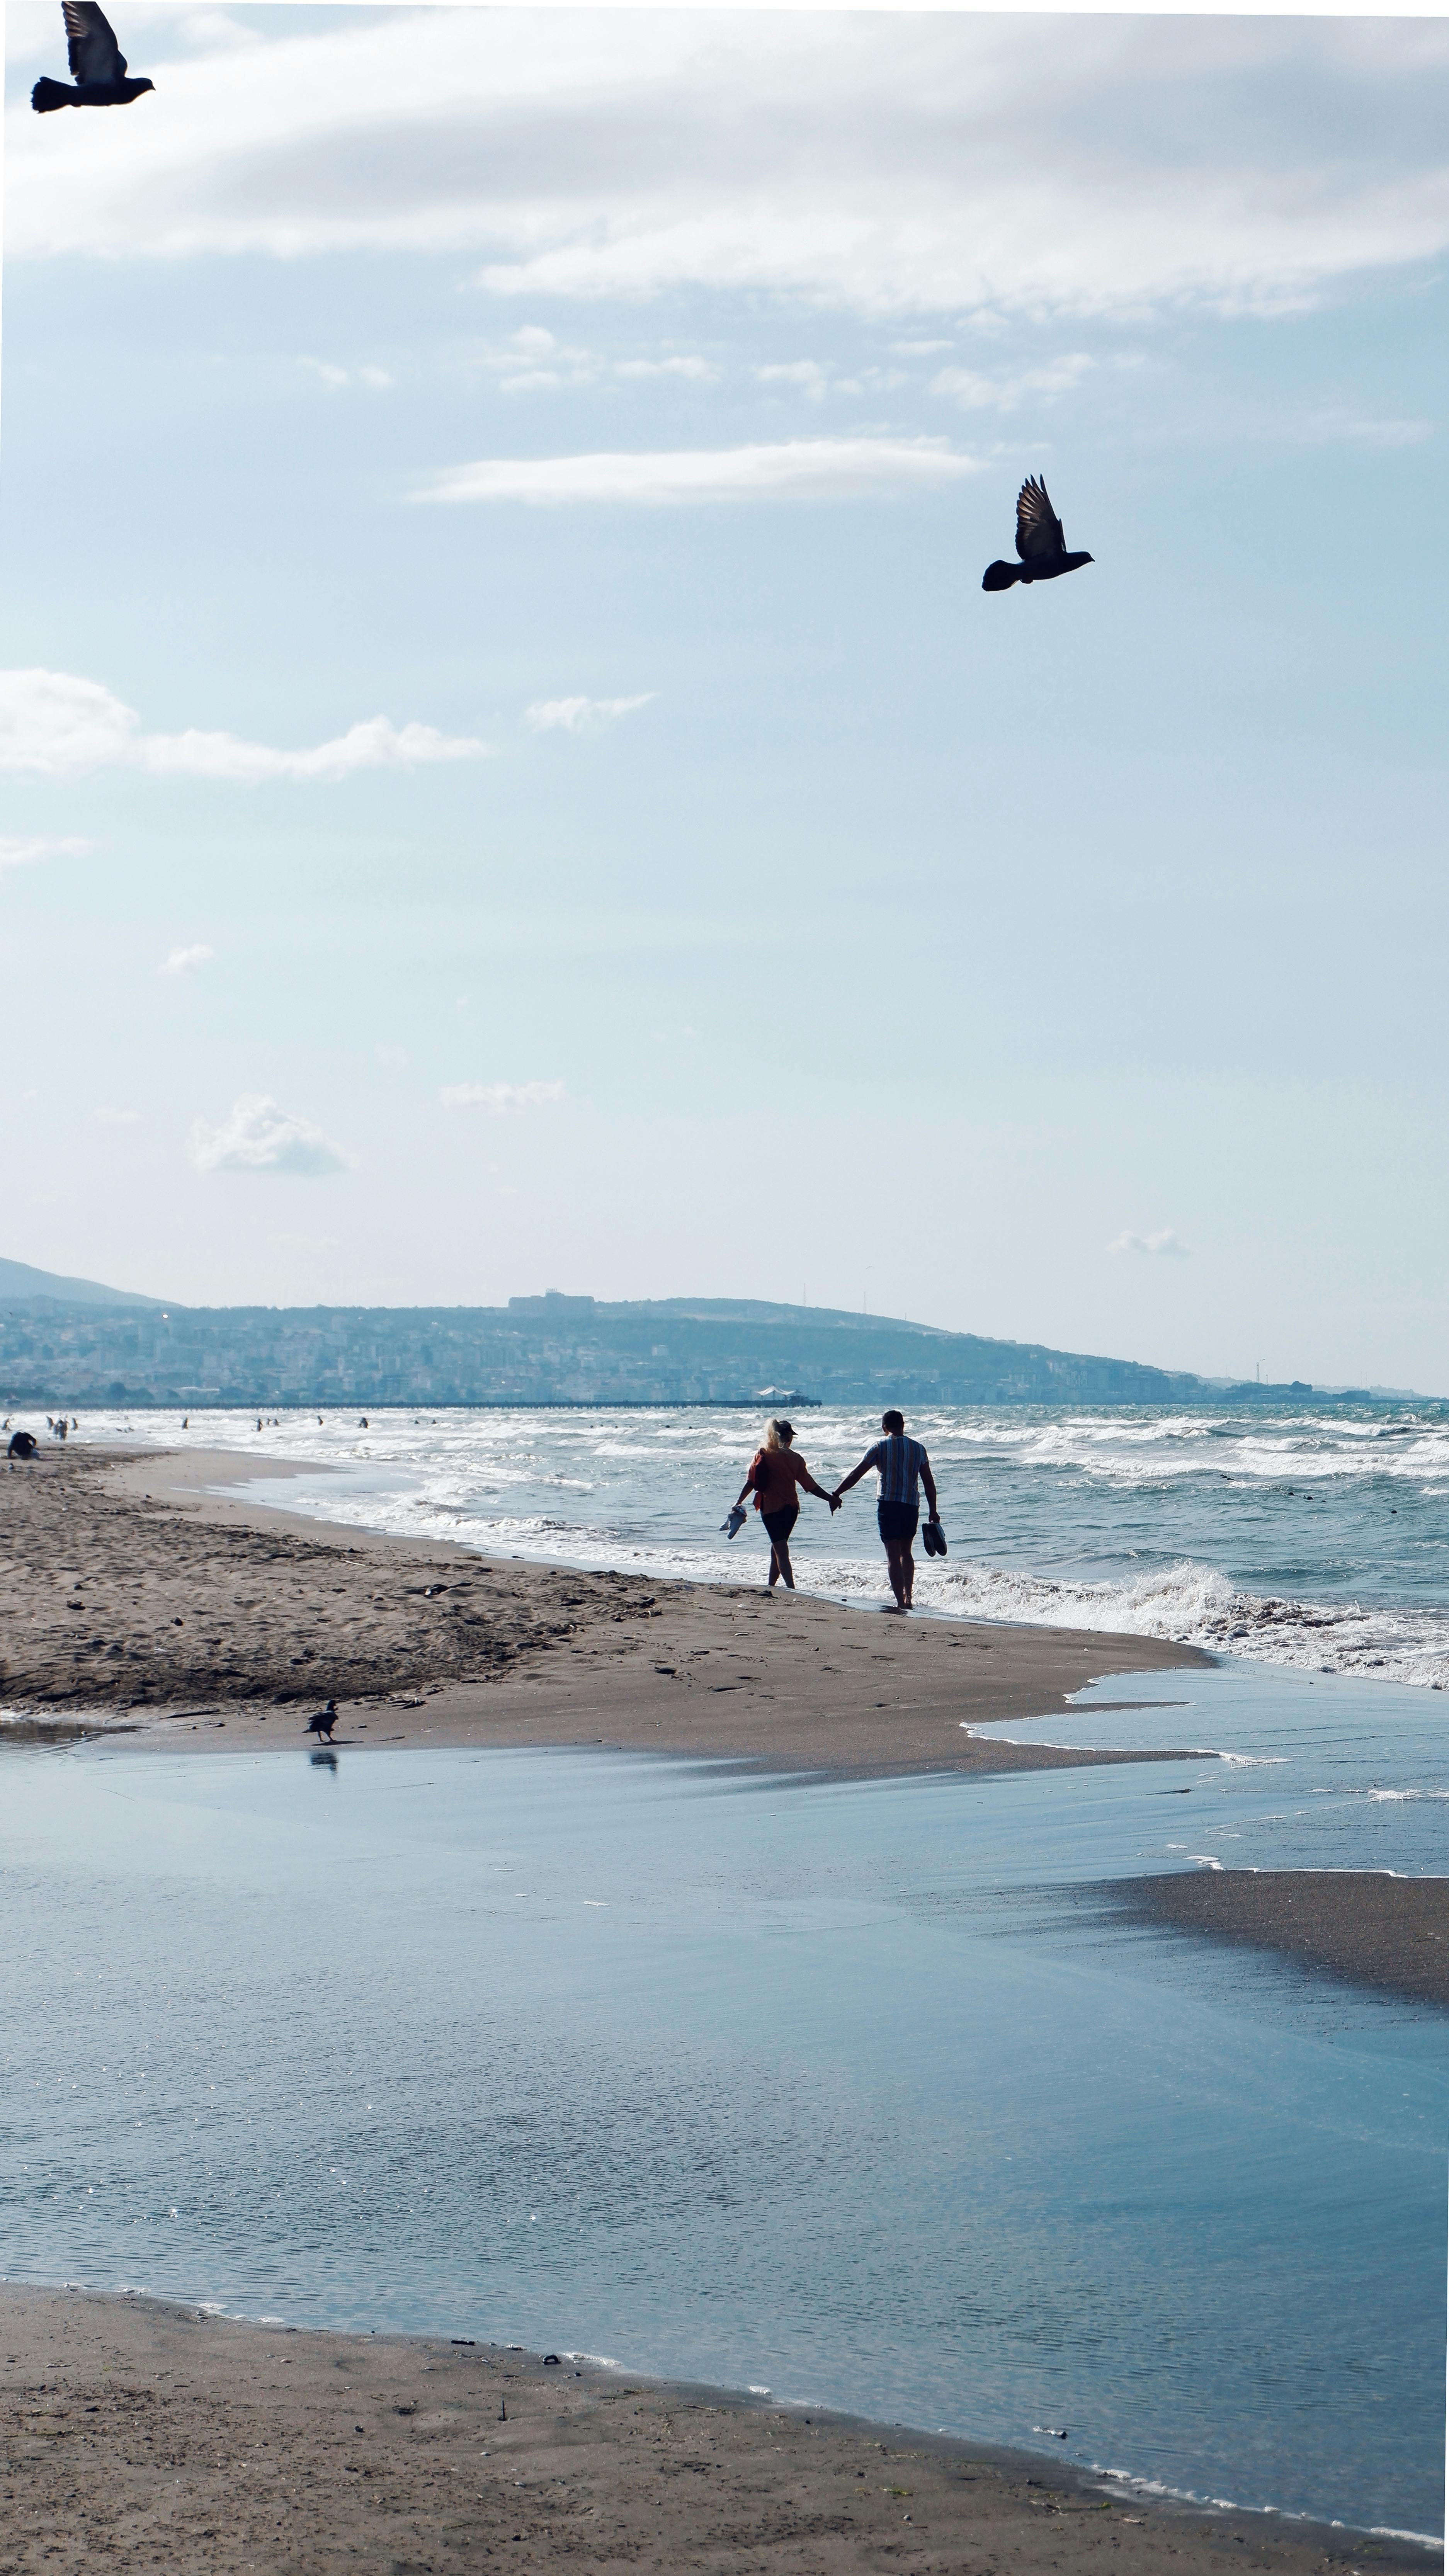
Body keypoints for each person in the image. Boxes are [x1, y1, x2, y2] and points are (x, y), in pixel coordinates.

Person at [831, 1409, 939, 1612]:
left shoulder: (880, 1446)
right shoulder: (918, 1449)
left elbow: (857, 1473)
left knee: (893, 1554)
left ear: (884, 1428)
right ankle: (909, 1596)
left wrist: (837, 1493)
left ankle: (899, 1602)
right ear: (903, 1426)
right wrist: (933, 1510)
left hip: (888, 1505)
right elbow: (929, 1483)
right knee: (906, 1552)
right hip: (911, 1505)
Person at [731, 1418, 838, 1592]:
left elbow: (751, 1482)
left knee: (780, 1549)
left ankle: (791, 1589)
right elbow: (810, 1486)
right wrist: (830, 1499)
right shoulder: (796, 1459)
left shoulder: (763, 1454)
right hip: (791, 1510)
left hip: (771, 1509)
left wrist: (739, 1501)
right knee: (778, 1548)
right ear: (789, 1438)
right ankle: (772, 1586)